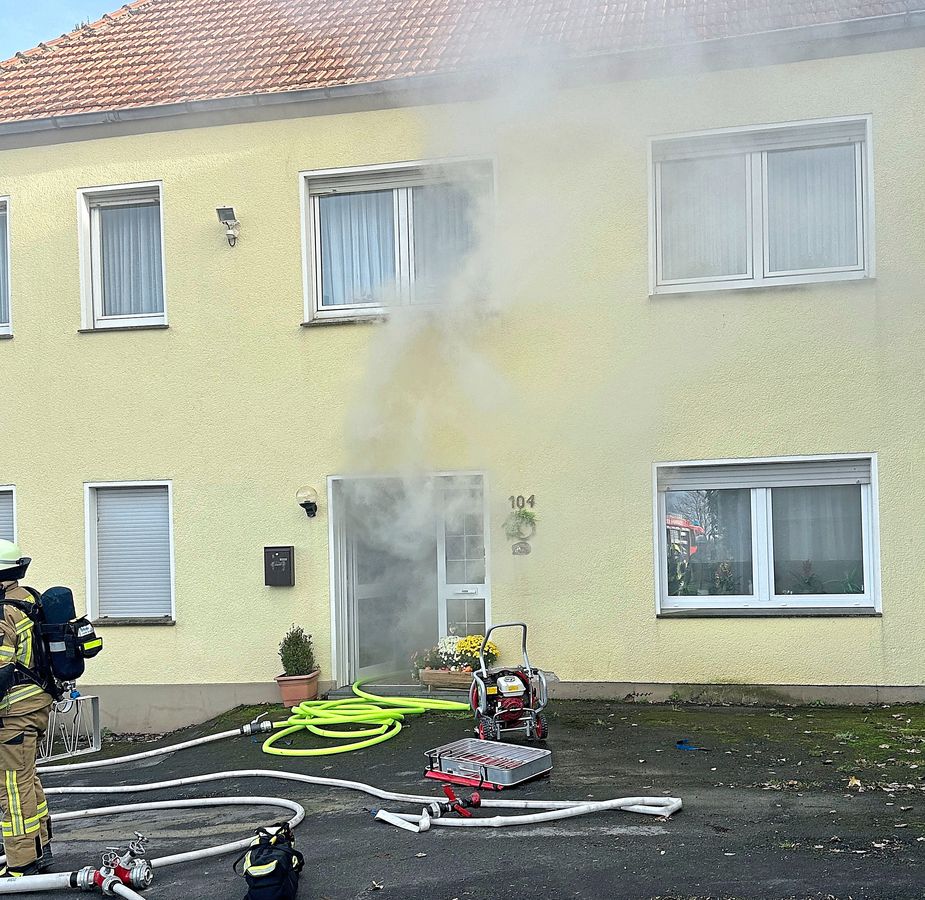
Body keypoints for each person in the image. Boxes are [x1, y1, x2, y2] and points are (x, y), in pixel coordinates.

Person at [0, 540, 53, 877]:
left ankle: (22, 863)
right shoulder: (28, 598)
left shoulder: (3, 612)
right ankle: (40, 846)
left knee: (12, 788)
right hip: (35, 705)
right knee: (26, 778)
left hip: (14, 713)